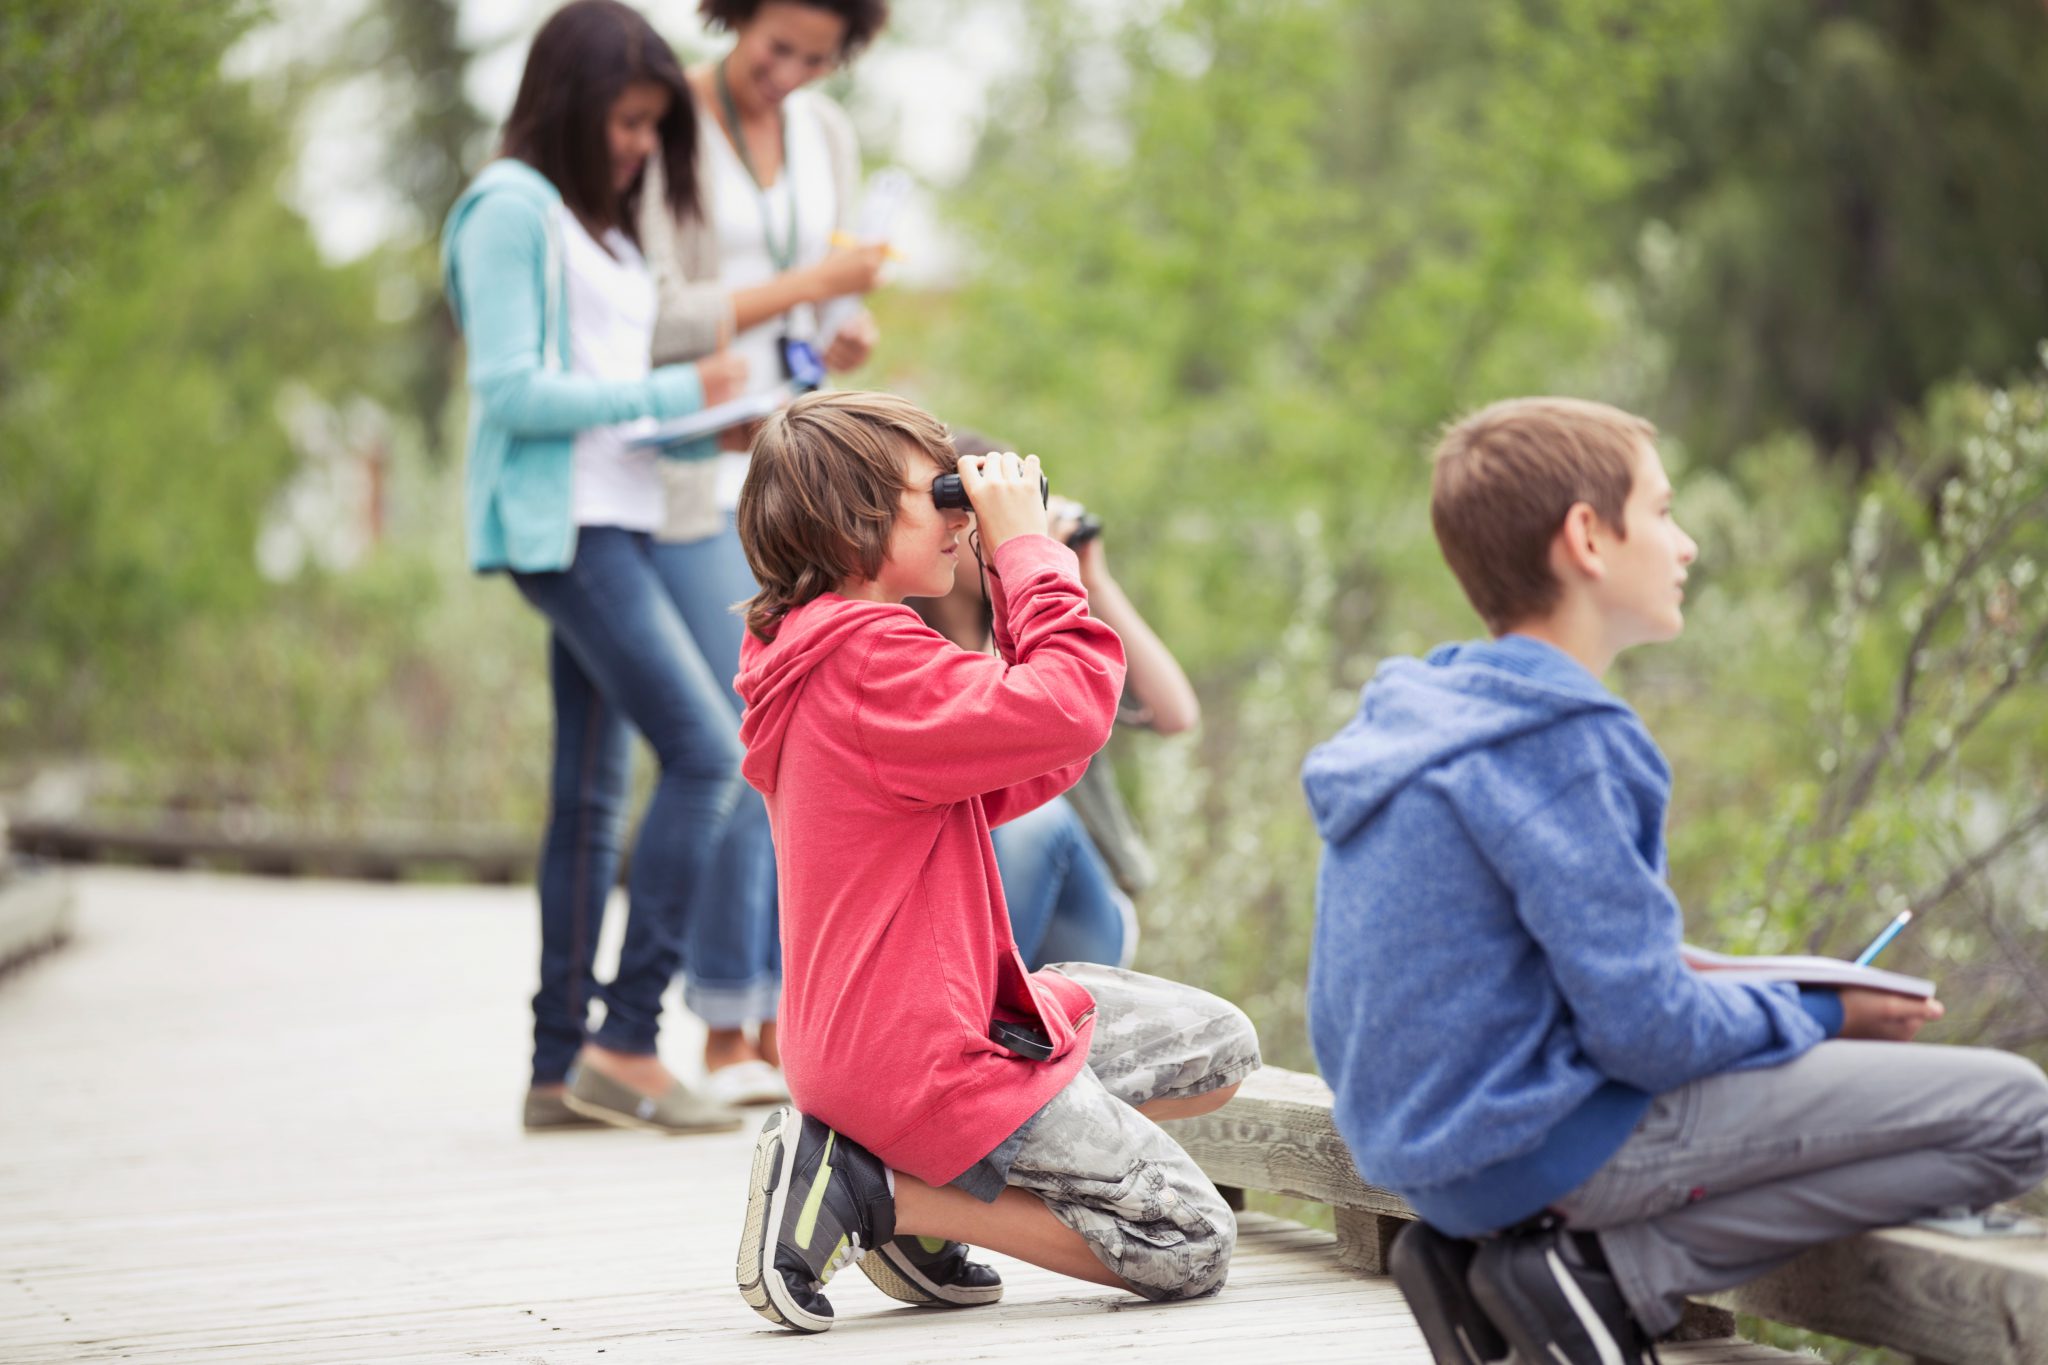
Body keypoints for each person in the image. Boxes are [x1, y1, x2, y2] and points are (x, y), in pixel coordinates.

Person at [1302, 397, 2048, 1364]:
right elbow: (1647, 1033)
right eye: (1661, 511)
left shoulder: (1425, 716)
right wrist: (1823, 1016)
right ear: (1587, 538)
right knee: (2017, 1111)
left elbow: (1529, 968)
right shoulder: (1567, 741)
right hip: (1539, 1144)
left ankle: (1550, 1267)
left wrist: (1773, 986)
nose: (1686, 543)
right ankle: (1617, 1271)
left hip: (1432, 1161)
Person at [727, 391, 1261, 1333]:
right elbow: (1070, 710)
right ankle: (883, 1189)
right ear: (851, 521)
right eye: (935, 495)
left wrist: (1018, 580)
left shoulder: (830, 653)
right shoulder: (866, 659)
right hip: (919, 1056)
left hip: (923, 1022)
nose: (960, 514)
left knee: (1218, 1049)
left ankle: (942, 1171)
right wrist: (1027, 551)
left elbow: (1039, 756)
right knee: (1190, 1240)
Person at [441, 0, 754, 1137]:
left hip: (618, 515)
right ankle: (628, 1037)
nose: (635, 146)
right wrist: (679, 393)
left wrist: (715, 429)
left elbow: (610, 414)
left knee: (589, 795)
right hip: (559, 530)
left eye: (649, 127)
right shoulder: (508, 211)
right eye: (625, 122)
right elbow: (515, 394)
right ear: (570, 103)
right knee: (710, 753)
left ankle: (556, 1067)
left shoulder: (607, 229)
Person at [631, 0, 892, 1100]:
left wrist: (840, 332)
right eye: (773, 47)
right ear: (731, 18)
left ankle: (789, 1017)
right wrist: (807, 292)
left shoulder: (827, 133)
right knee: (744, 737)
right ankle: (724, 1021)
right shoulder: (667, 122)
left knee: (808, 742)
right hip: (691, 467)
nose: (785, 73)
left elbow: (822, 301)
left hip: (793, 471)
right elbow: (649, 315)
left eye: (814, 58)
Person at [913, 433, 1199, 970]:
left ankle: (970, 1015)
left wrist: (1088, 576)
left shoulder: (1049, 624)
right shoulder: (906, 636)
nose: (1024, 530)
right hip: (953, 903)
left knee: (1033, 820)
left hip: (1080, 900)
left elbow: (1176, 713)